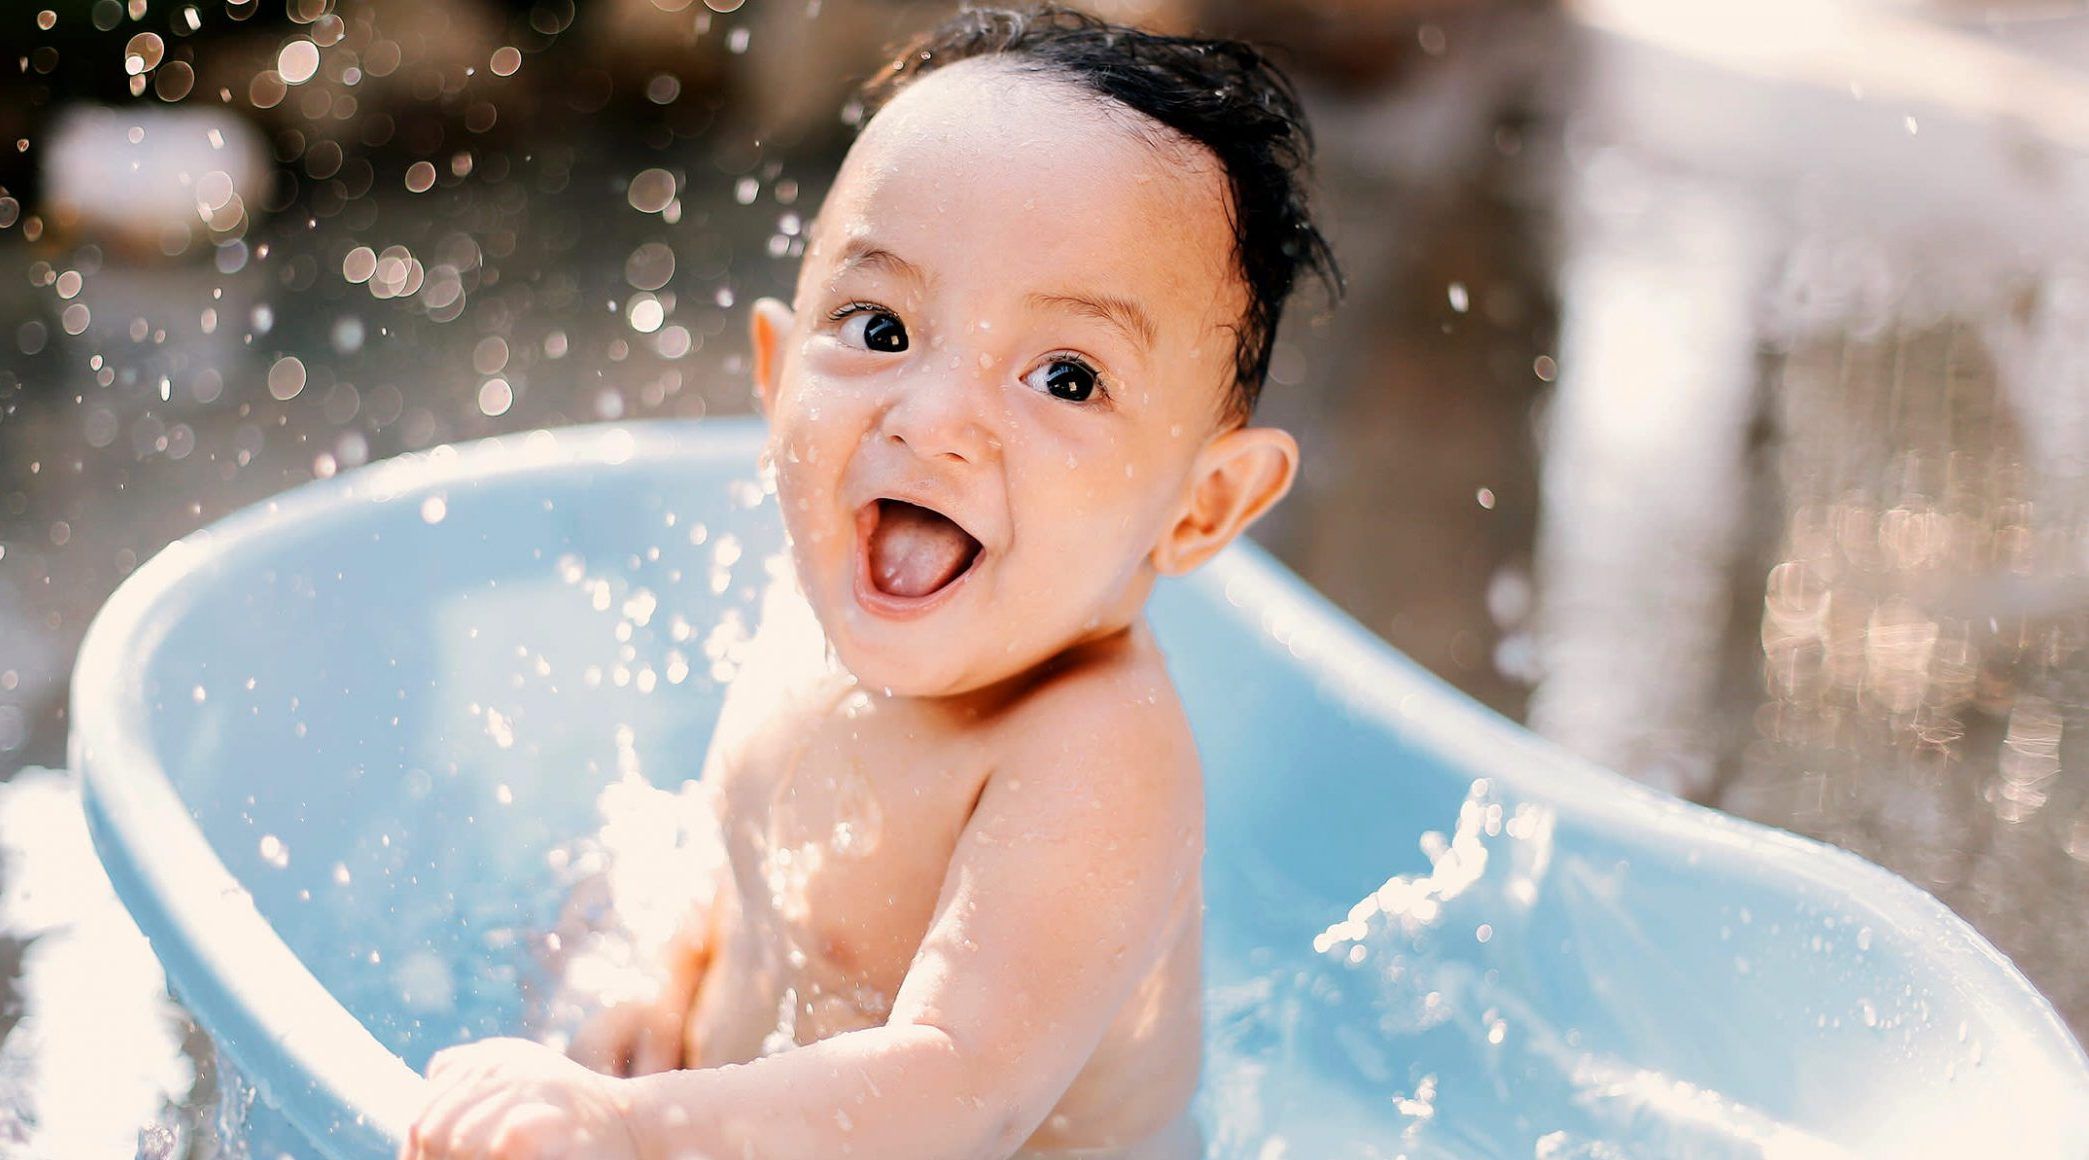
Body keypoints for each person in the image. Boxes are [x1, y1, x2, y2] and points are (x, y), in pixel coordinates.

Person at [401, 5, 1338, 1157]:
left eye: (1064, 375)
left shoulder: (1093, 757)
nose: (936, 418)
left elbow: (959, 1087)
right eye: (882, 326)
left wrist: (631, 1127)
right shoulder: (825, 592)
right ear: (775, 375)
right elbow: (729, 844)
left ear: (1202, 506)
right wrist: (651, 971)